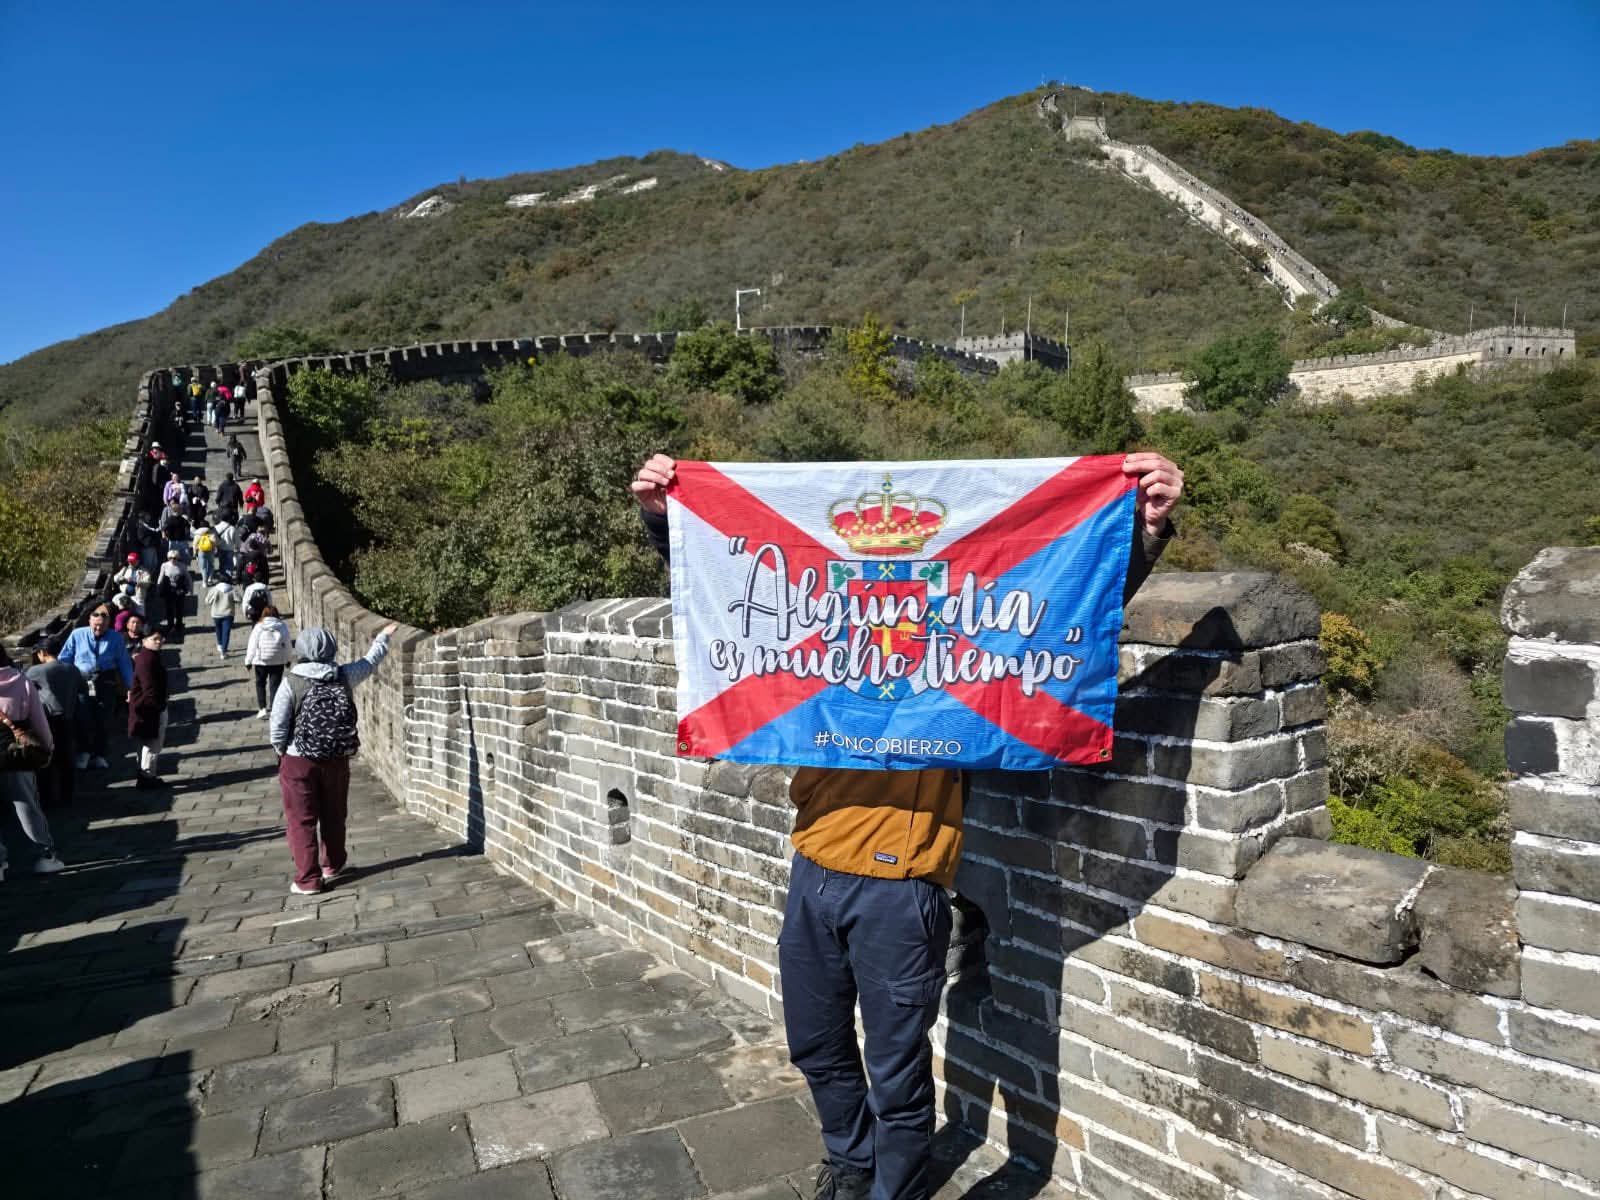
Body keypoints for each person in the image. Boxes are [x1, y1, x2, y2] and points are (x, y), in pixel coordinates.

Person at [628, 450, 1185, 1200]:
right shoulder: (818, 632)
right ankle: (851, 1166)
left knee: (894, 1070)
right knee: (818, 1047)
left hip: (902, 888)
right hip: (811, 868)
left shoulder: (960, 657)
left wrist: (1144, 532)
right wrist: (665, 517)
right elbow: (728, 583)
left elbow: (1065, 609)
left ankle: (896, 1193)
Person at [270, 623, 398, 894]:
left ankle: (308, 879)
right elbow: (369, 662)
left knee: (302, 819)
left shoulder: (290, 682)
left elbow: (278, 727)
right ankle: (333, 864)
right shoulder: (342, 675)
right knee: (334, 813)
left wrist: (282, 752)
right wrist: (382, 638)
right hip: (336, 757)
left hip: (299, 759)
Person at [0, 647, 65, 879]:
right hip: (17, 754)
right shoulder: (21, 682)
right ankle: (44, 855)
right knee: (26, 804)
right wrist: (47, 748)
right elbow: (39, 721)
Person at [58, 606, 134, 771]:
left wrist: (131, 686)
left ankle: (99, 754)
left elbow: (124, 662)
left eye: (103, 626)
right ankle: (84, 752)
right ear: (89, 621)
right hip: (83, 680)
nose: (99, 629)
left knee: (104, 718)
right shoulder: (77, 635)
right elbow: (64, 659)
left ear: (109, 624)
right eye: (96, 625)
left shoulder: (116, 638)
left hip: (106, 679)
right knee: (82, 716)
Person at [27, 638, 85, 809]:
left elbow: (24, 688)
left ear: (42, 653)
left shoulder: (36, 671)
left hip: (46, 719)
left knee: (46, 759)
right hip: (68, 718)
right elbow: (82, 689)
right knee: (66, 758)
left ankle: (46, 798)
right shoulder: (71, 669)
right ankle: (67, 796)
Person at [127, 629, 169, 789]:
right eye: (155, 639)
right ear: (144, 641)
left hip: (144, 707)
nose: (159, 641)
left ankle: (145, 774)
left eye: (160, 638)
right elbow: (149, 688)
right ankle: (147, 776)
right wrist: (158, 707)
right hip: (149, 709)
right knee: (152, 744)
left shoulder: (148, 657)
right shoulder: (147, 660)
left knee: (146, 743)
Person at [245, 605, 292, 719]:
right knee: (275, 684)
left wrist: (248, 660)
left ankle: (262, 709)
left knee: (260, 684)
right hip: (278, 660)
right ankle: (275, 708)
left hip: (261, 660)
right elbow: (287, 645)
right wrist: (288, 659)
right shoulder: (282, 626)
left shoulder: (259, 626)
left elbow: (252, 644)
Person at [203, 572, 241, 657]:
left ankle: (220, 644)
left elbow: (207, 601)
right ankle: (224, 651)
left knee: (218, 629)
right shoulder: (231, 589)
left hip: (216, 614)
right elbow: (239, 599)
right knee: (226, 632)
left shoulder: (214, 589)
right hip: (228, 614)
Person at [157, 548, 190, 633]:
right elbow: (160, 577)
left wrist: (190, 589)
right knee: (169, 609)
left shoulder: (182, 565)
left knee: (179, 608)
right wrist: (158, 587)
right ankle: (170, 624)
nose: (172, 560)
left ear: (177, 558)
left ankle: (179, 625)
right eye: (170, 558)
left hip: (179, 589)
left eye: (174, 558)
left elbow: (188, 578)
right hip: (169, 589)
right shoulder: (164, 565)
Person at [159, 498, 192, 563]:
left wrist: (165, 535)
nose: (181, 511)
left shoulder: (169, 520)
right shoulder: (182, 519)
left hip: (174, 541)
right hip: (180, 541)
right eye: (180, 509)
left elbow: (163, 528)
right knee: (183, 558)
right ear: (178, 510)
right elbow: (188, 527)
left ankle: (179, 571)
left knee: (175, 558)